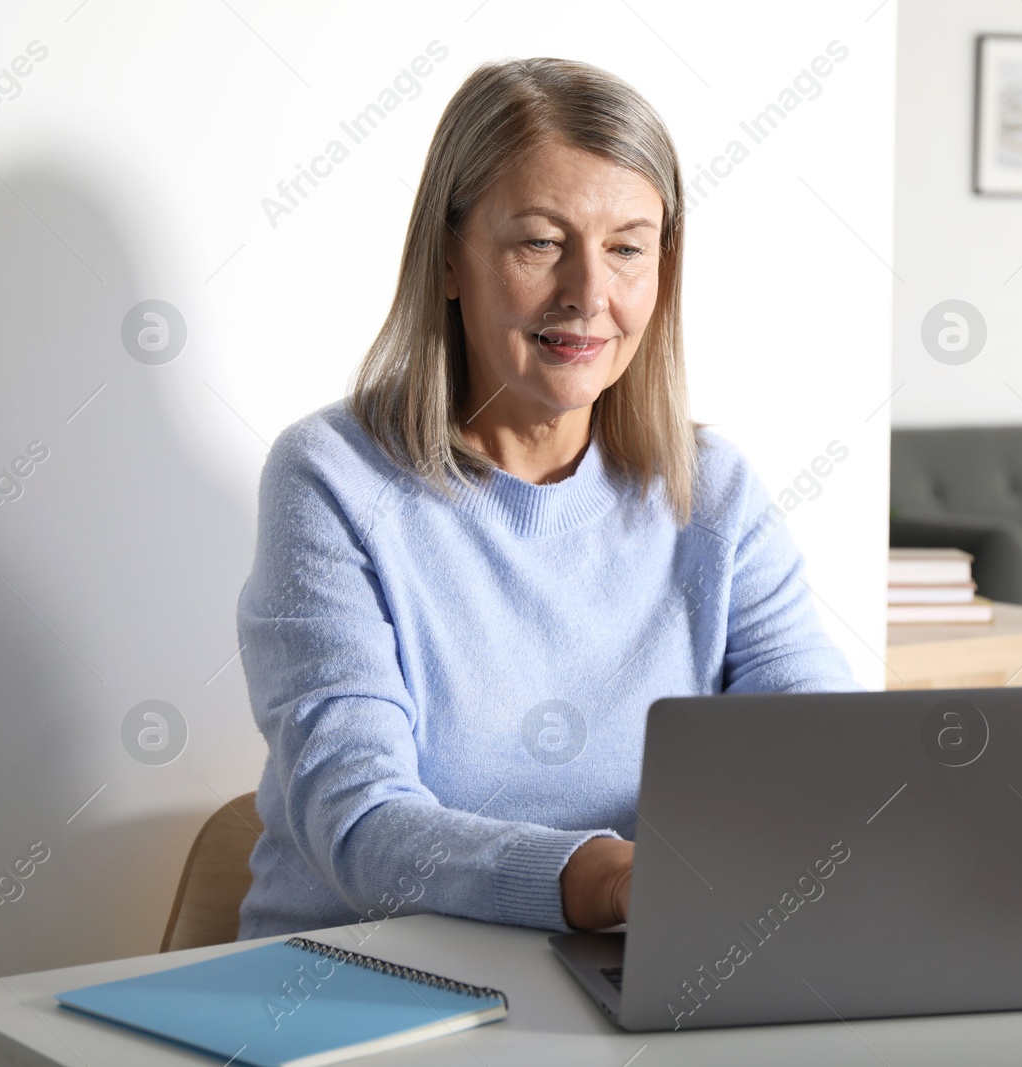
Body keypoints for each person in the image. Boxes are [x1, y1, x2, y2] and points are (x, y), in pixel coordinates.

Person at [234, 57, 860, 942]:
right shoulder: (331, 479)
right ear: (450, 260)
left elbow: (823, 742)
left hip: (630, 965)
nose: (589, 296)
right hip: (354, 979)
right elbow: (363, 825)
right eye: (540, 242)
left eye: (626, 248)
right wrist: (610, 880)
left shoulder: (711, 489)